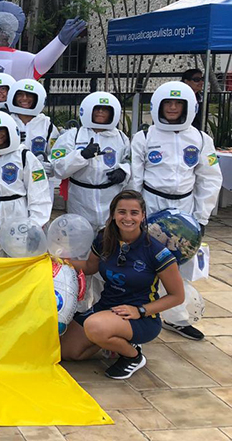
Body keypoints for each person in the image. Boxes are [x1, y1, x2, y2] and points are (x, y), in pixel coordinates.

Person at [129, 81, 222, 340]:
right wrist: (136, 213)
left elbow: (210, 178)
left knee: (180, 265)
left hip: (185, 206)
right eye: (168, 103)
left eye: (178, 104)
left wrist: (201, 217)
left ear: (188, 107)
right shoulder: (145, 137)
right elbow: (135, 177)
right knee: (143, 262)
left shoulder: (201, 139)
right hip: (151, 203)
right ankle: (140, 314)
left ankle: (177, 318)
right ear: (157, 105)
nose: (172, 108)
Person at [61, 190, 185, 380]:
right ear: (112, 215)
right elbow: (89, 267)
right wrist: (57, 262)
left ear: (143, 215)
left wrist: (141, 311)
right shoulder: (105, 239)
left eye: (134, 212)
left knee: (94, 326)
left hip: (141, 317)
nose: (128, 218)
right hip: (106, 309)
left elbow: (177, 296)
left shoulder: (156, 251)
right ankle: (112, 339)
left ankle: (133, 356)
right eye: (122, 212)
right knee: (68, 352)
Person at [0, 111, 52, 257]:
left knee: (18, 253)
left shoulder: (24, 156)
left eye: (1, 130)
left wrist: (34, 223)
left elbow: (39, 192)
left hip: (16, 209)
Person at [51, 92, 129, 231]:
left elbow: (129, 160)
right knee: (80, 241)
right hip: (81, 199)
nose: (100, 112)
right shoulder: (73, 136)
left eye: (105, 109)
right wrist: (81, 156)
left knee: (110, 240)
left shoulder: (121, 138)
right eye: (97, 108)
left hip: (110, 198)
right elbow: (58, 168)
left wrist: (123, 171)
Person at [7, 79, 61, 198]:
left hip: (39, 180)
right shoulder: (7, 121)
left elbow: (56, 152)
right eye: (20, 95)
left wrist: (49, 163)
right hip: (11, 179)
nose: (24, 99)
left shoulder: (47, 126)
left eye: (29, 95)